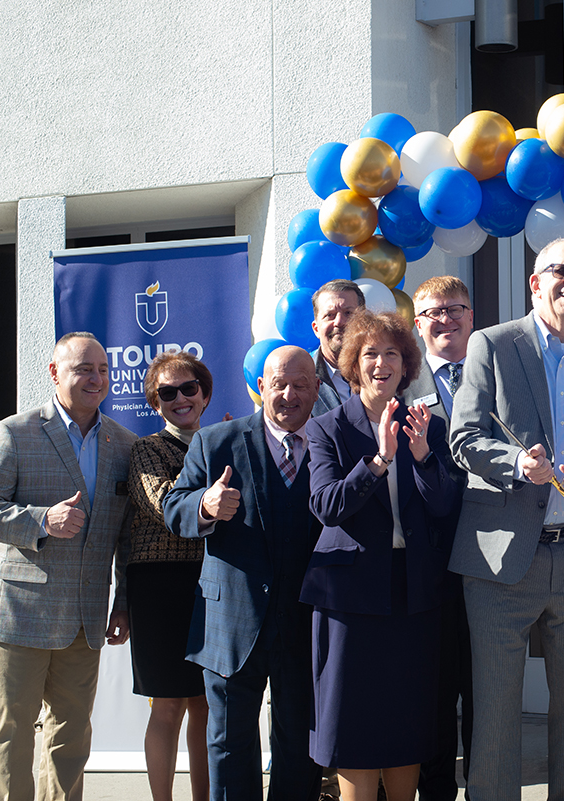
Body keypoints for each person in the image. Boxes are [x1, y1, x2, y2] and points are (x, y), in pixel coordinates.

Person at [449, 237, 564, 801]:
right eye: (560, 271)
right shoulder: (491, 345)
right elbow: (463, 438)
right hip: (502, 558)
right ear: (535, 282)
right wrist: (515, 463)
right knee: (497, 716)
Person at [0, 331, 137, 800]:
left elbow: (126, 535)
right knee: (13, 735)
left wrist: (123, 603)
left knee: (71, 738)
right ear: (55, 374)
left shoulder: (124, 444)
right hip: (19, 615)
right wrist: (43, 520)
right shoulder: (12, 432)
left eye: (103, 370)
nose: (96, 378)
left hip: (85, 618)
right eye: (84, 369)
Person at [302, 310, 461, 801]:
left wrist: (420, 457)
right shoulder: (326, 428)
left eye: (392, 353)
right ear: (353, 362)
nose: (381, 363)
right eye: (370, 353)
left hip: (413, 594)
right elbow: (327, 506)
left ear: (406, 363)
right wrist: (379, 460)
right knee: (356, 726)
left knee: (407, 721)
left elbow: (446, 509)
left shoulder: (427, 426)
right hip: (350, 599)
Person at [163, 345, 323, 801]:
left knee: (300, 745)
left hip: (307, 622)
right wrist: (205, 507)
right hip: (231, 623)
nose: (289, 394)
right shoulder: (216, 441)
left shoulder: (334, 442)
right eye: (278, 384)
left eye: (299, 384)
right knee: (230, 746)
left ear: (315, 388)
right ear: (260, 388)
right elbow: (175, 507)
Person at [126, 351, 215, 801]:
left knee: (205, 706)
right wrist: (214, 499)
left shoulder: (221, 441)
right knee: (168, 706)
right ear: (154, 403)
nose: (180, 398)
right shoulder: (146, 449)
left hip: (213, 585)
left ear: (203, 394)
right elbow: (164, 504)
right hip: (159, 587)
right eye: (167, 392)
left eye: (188, 388)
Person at [405, 276, 474, 801]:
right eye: (433, 312)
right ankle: (437, 791)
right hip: (429, 561)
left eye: (455, 308)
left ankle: (487, 785)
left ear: (471, 316)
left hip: (494, 554)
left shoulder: (496, 373)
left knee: (486, 689)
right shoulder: (402, 386)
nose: (446, 318)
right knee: (432, 691)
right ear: (417, 323)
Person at [311, 279, 366, 417]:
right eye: (330, 315)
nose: (339, 322)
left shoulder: (387, 370)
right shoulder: (301, 378)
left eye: (348, 313)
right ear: (316, 328)